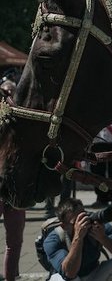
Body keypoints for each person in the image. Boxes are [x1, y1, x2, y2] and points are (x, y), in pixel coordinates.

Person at [43, 198, 112, 281]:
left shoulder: (97, 227)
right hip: (68, 277)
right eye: (76, 222)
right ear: (64, 226)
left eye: (83, 217)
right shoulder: (53, 240)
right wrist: (78, 237)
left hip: (92, 274)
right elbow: (69, 273)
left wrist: (103, 238)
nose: (82, 224)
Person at [0, 79, 25, 281]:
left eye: (11, 93)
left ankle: (10, 277)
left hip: (15, 187)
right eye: (6, 93)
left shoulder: (21, 121)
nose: (8, 97)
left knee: (15, 241)